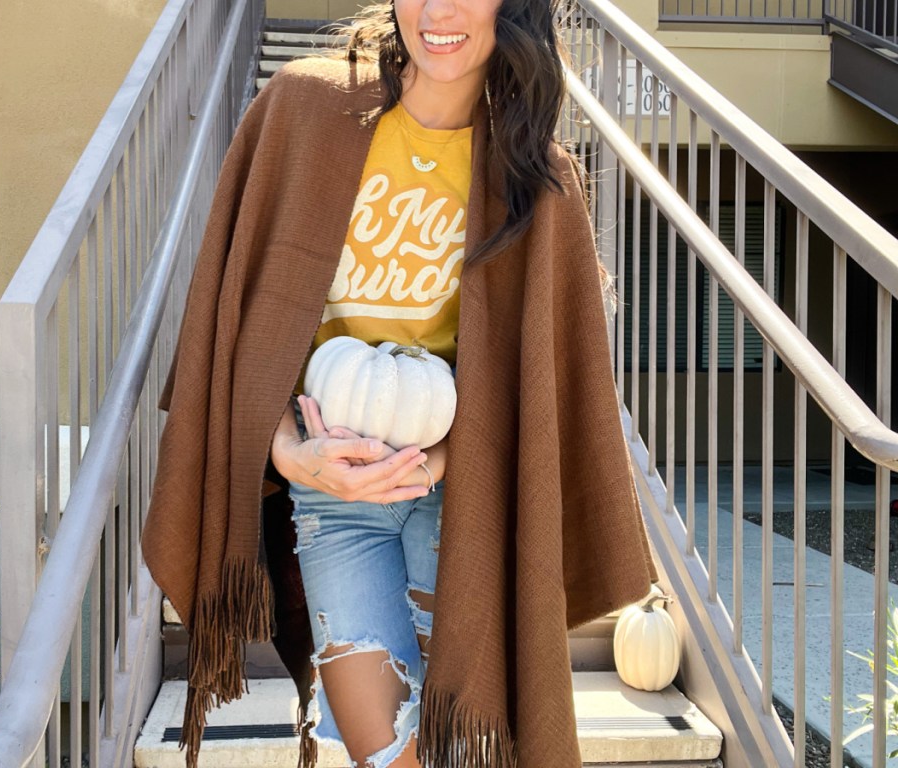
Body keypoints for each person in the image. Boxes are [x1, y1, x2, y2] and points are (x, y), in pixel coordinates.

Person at [141, 1, 660, 767]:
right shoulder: (304, 110)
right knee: (385, 752)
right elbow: (236, 326)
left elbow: (533, 385)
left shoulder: (535, 177)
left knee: (472, 746)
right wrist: (288, 455)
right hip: (331, 495)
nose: (440, 10)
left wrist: (434, 465)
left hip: (462, 493)